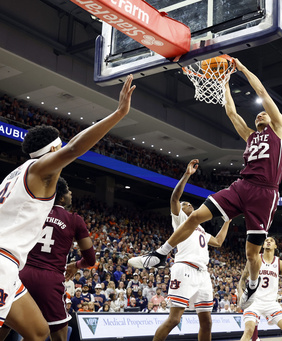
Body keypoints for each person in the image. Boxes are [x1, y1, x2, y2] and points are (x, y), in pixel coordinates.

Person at [132, 58, 282, 309]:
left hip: (265, 194)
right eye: (257, 113)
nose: (260, 113)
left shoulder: (279, 130)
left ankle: (252, 284)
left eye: (263, 113)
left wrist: (243, 68)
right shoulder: (249, 136)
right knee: (194, 217)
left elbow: (261, 92)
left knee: (251, 254)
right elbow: (231, 112)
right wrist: (224, 81)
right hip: (241, 186)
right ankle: (160, 254)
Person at [0, 75, 135, 340]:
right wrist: (119, 113)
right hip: (3, 261)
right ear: (53, 150)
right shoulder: (41, 171)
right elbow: (75, 148)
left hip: (13, 267)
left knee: (38, 332)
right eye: (59, 148)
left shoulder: (15, 175)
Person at [131, 159, 231, 341]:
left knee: (207, 322)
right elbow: (175, 198)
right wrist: (186, 175)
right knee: (174, 319)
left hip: (203, 273)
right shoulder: (180, 221)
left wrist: (227, 221)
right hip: (184, 268)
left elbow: (217, 241)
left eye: (191, 204)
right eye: (186, 204)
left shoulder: (201, 228)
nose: (188, 205)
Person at [14, 177, 95, 341]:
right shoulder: (74, 220)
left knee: (8, 327)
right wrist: (76, 265)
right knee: (59, 337)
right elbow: (91, 259)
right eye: (68, 190)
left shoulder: (33, 212)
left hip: (21, 275)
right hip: (49, 280)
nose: (71, 193)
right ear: (62, 197)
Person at [237, 237, 282, 341]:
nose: (268, 242)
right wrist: (241, 297)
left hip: (271, 303)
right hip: (254, 301)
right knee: (249, 331)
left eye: (271, 241)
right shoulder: (255, 259)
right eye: (266, 240)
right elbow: (242, 280)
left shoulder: (280, 264)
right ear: (263, 245)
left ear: (275, 246)